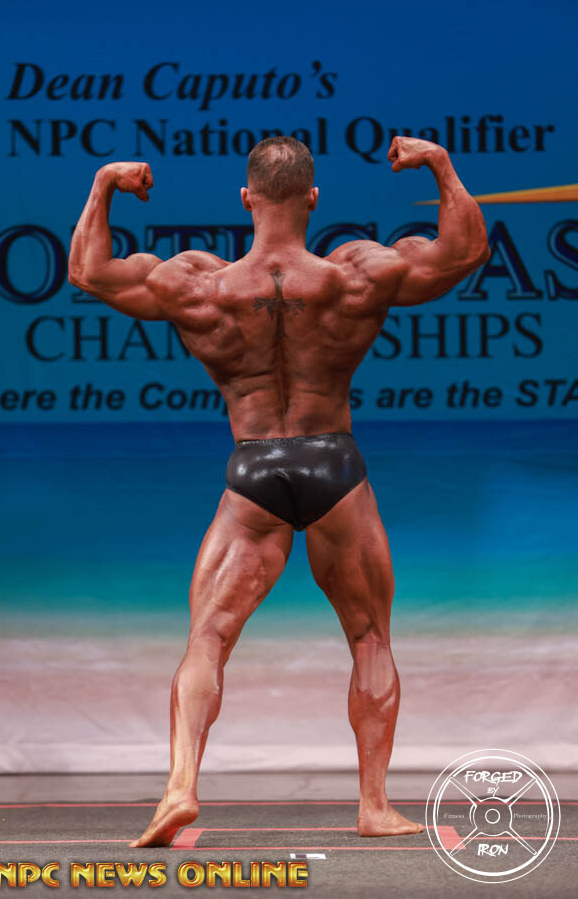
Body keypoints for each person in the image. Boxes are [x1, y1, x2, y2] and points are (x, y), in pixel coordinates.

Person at [68, 135, 490, 847]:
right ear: (313, 198)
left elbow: (88, 270)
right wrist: (441, 165)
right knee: (369, 637)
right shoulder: (356, 273)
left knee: (208, 636)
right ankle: (373, 806)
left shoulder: (199, 284)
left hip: (253, 469)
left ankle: (179, 789)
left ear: (247, 199)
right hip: (334, 466)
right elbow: (464, 251)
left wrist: (106, 182)